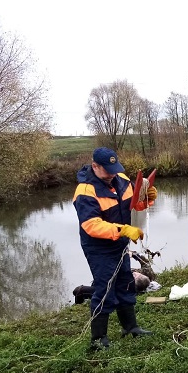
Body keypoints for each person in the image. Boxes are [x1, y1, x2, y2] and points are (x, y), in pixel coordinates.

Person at [73, 147, 158, 350]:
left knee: (125, 283)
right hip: (99, 248)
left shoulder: (120, 178)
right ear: (95, 166)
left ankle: (130, 327)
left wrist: (148, 197)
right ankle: (98, 339)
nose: (112, 174)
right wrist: (124, 230)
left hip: (120, 244)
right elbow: (91, 225)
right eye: (107, 170)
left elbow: (135, 205)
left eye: (114, 168)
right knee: (104, 288)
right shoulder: (85, 190)